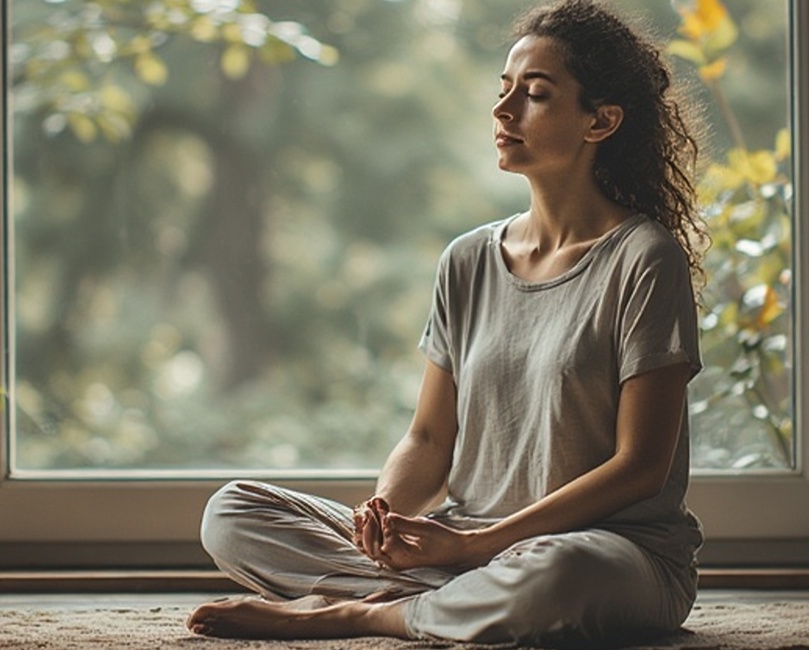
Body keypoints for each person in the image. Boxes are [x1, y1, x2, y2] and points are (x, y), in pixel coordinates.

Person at [187, 0, 707, 645]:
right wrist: (385, 524)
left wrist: (479, 546)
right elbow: (429, 440)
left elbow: (640, 466)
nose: (504, 110)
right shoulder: (468, 260)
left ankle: (358, 613)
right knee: (233, 513)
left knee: (558, 575)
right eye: (505, 89)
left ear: (600, 121)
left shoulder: (644, 257)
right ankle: (433, 597)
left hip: (606, 553)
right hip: (467, 544)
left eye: (536, 94)